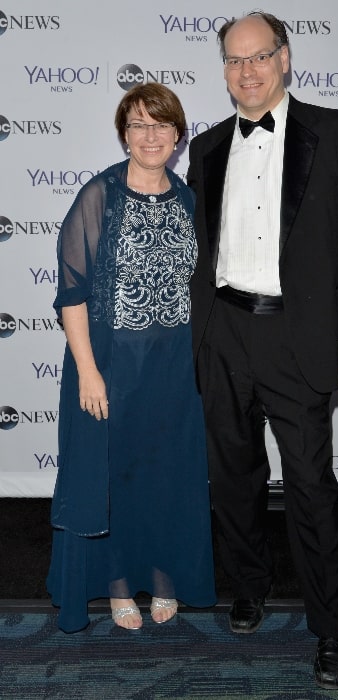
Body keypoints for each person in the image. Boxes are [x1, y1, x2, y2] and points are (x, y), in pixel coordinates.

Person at [187, 11, 338, 690]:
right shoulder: (206, 147)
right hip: (223, 331)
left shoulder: (337, 131)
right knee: (232, 477)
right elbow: (201, 252)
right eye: (235, 61)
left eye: (260, 56)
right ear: (224, 70)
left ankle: (331, 631)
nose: (247, 71)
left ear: (285, 57)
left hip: (298, 337)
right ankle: (248, 585)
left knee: (310, 485)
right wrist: (197, 334)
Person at [47, 82, 216, 633]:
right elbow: (71, 293)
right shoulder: (100, 195)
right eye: (139, 124)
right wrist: (89, 373)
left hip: (175, 368)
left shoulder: (190, 199)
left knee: (166, 476)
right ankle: (118, 584)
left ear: (178, 136)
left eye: (161, 125)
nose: (151, 135)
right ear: (124, 134)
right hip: (113, 364)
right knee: (114, 477)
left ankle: (164, 577)